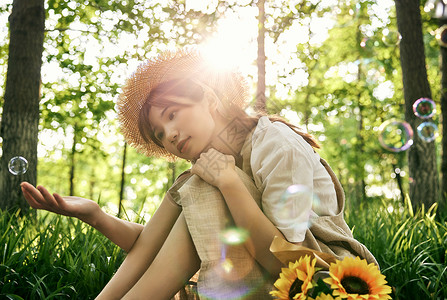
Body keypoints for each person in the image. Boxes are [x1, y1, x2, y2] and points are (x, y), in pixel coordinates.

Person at [21, 48, 377, 299]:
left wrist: (228, 183)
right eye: (160, 134)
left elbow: (285, 261)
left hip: (326, 280)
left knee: (212, 185)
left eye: (173, 114)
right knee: (204, 182)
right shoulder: (204, 172)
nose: (170, 136)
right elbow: (155, 248)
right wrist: (96, 215)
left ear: (207, 96)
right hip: (264, 277)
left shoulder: (274, 145)